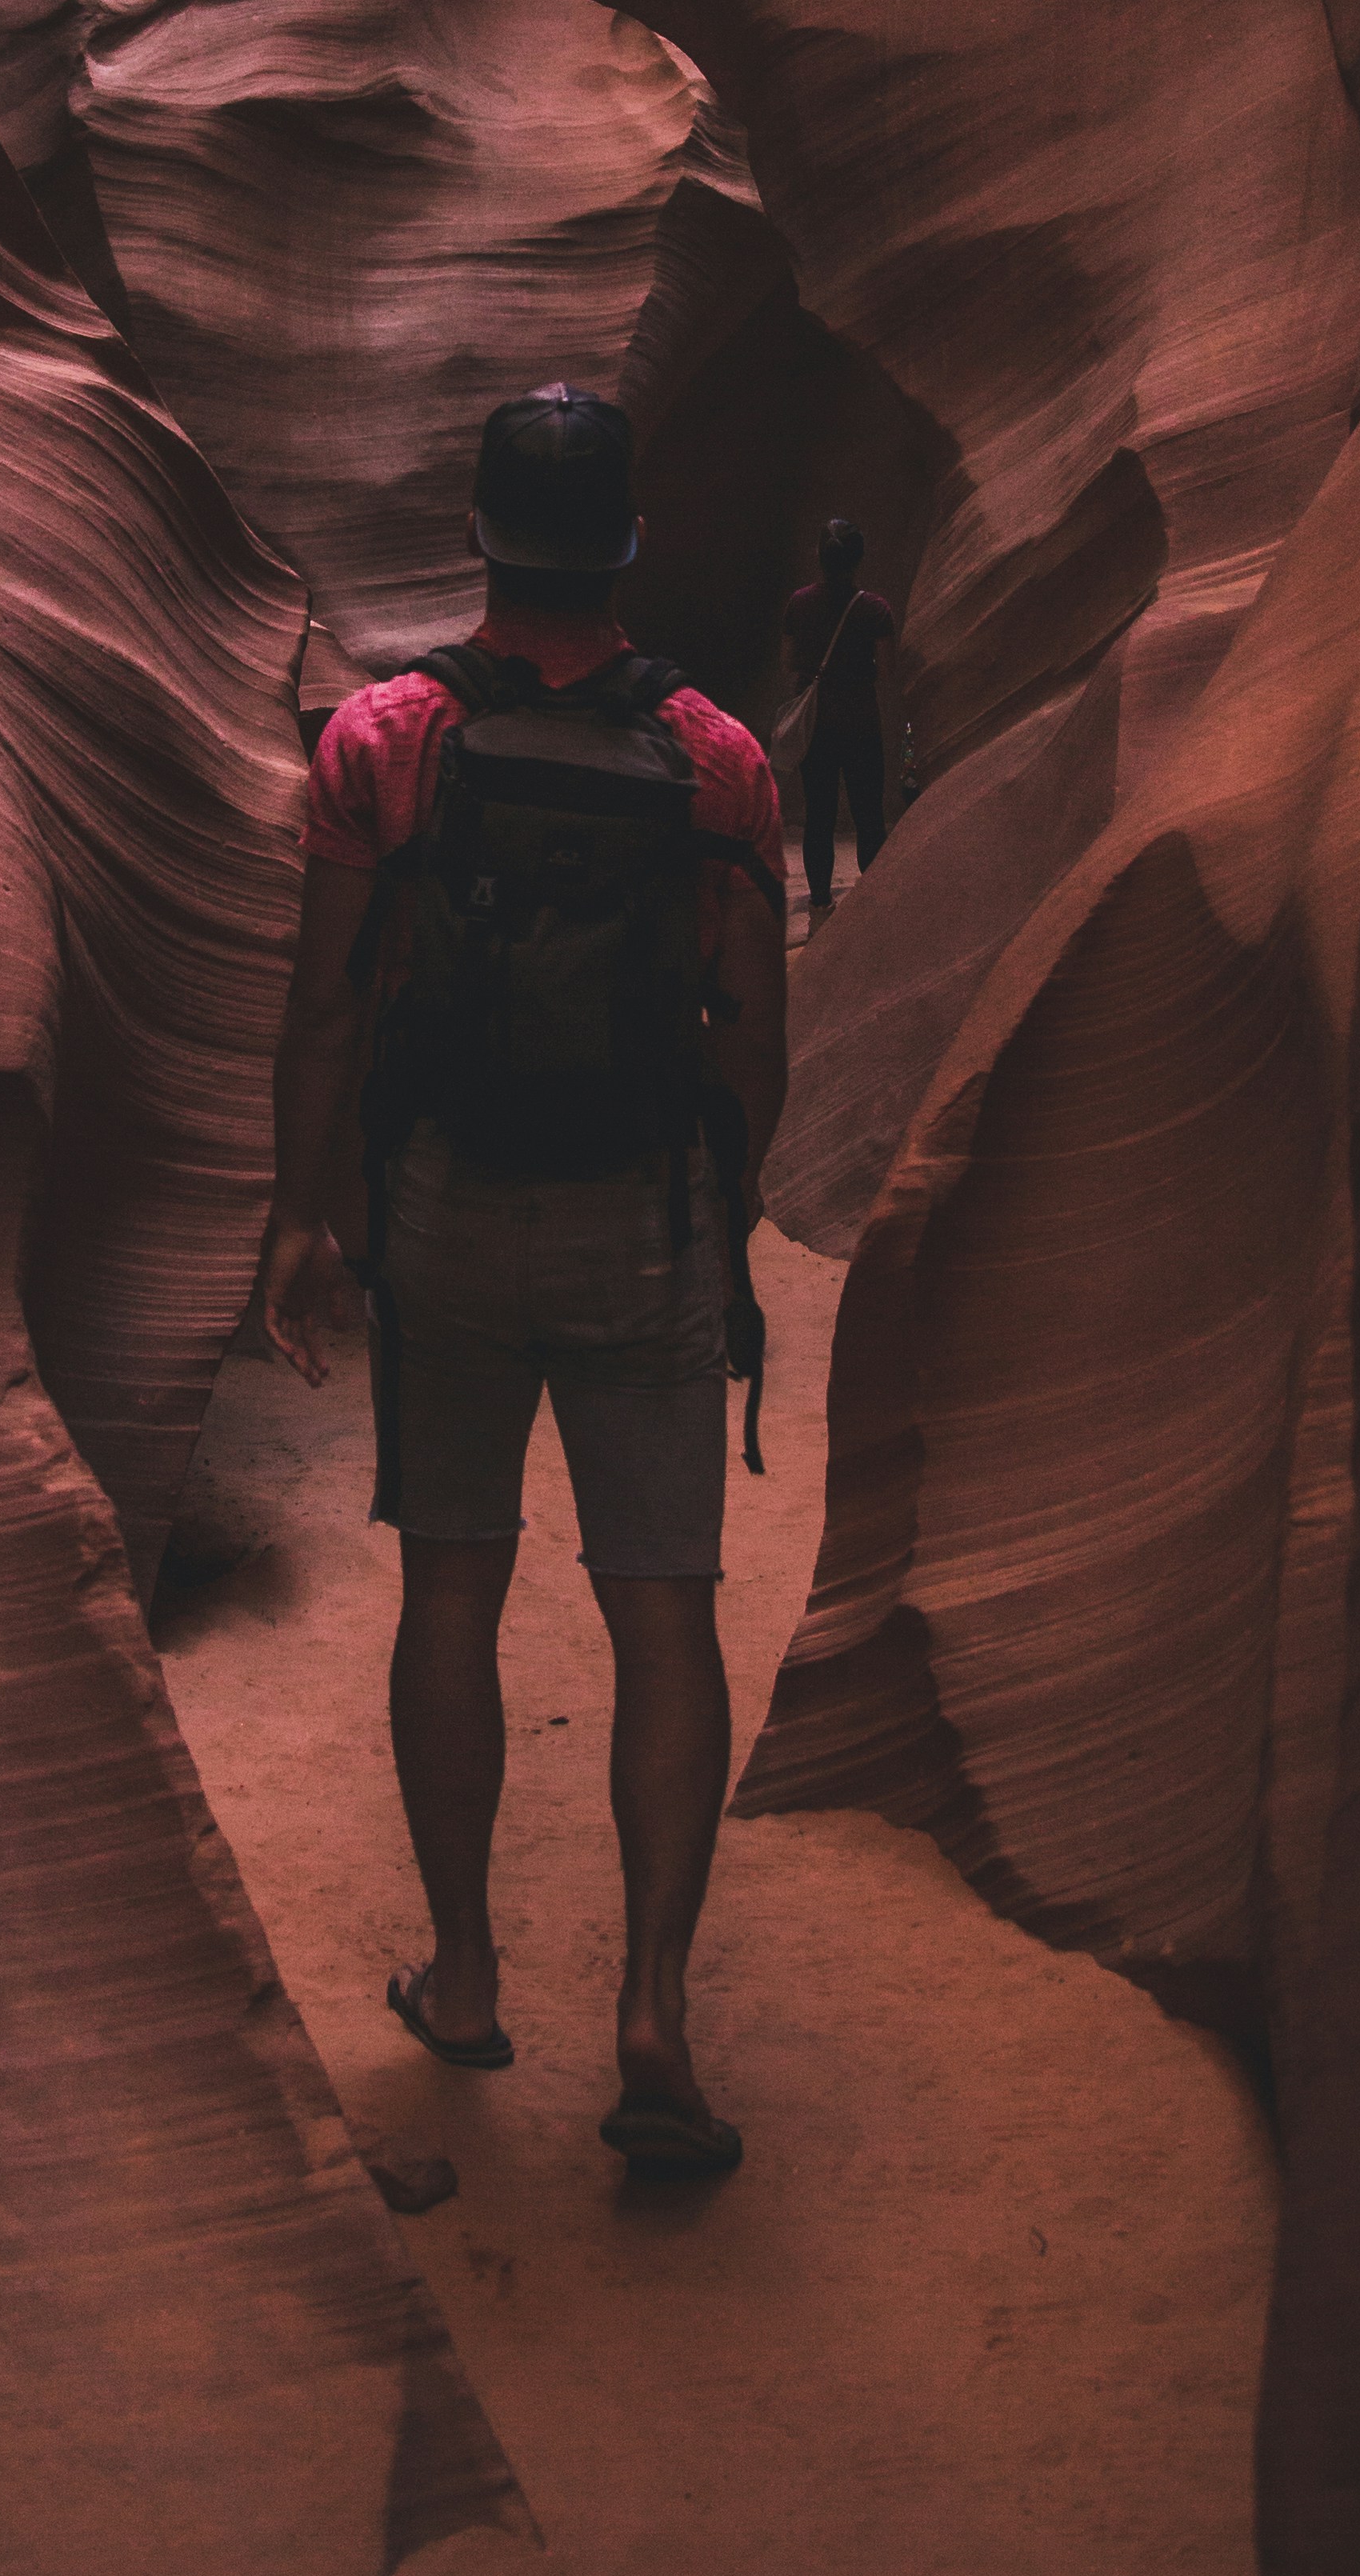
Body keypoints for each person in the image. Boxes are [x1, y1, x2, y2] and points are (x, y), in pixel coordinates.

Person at [245, 386, 787, 2178]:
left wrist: (306, 1218)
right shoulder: (717, 758)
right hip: (642, 1220)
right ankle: (650, 2008)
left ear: (481, 538)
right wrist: (724, 1213)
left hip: (449, 1214)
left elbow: (326, 1008)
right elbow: (752, 1035)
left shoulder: (385, 741)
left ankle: (467, 1977)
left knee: (453, 1595)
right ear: (626, 547)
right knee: (662, 1613)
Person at [779, 516, 894, 922]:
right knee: (869, 815)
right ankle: (873, 911)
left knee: (819, 817)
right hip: (861, 720)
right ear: (858, 558)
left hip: (817, 727)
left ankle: (820, 909)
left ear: (819, 557)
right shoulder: (875, 609)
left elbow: (789, 661)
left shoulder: (798, 604)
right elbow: (886, 670)